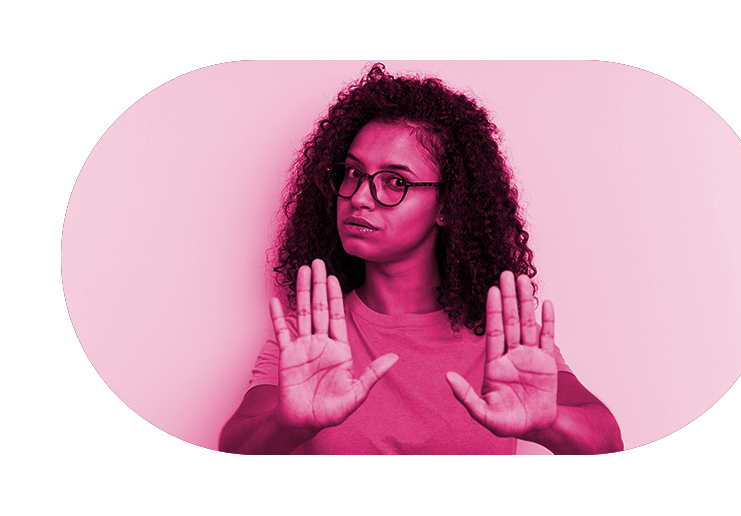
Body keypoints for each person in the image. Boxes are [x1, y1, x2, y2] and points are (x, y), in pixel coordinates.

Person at [219, 64, 623, 455]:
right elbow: (234, 448)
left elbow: (606, 442)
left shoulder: (503, 332)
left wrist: (546, 423)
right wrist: (289, 426)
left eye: (396, 181)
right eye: (353, 173)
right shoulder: (309, 334)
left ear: (447, 205)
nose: (359, 197)